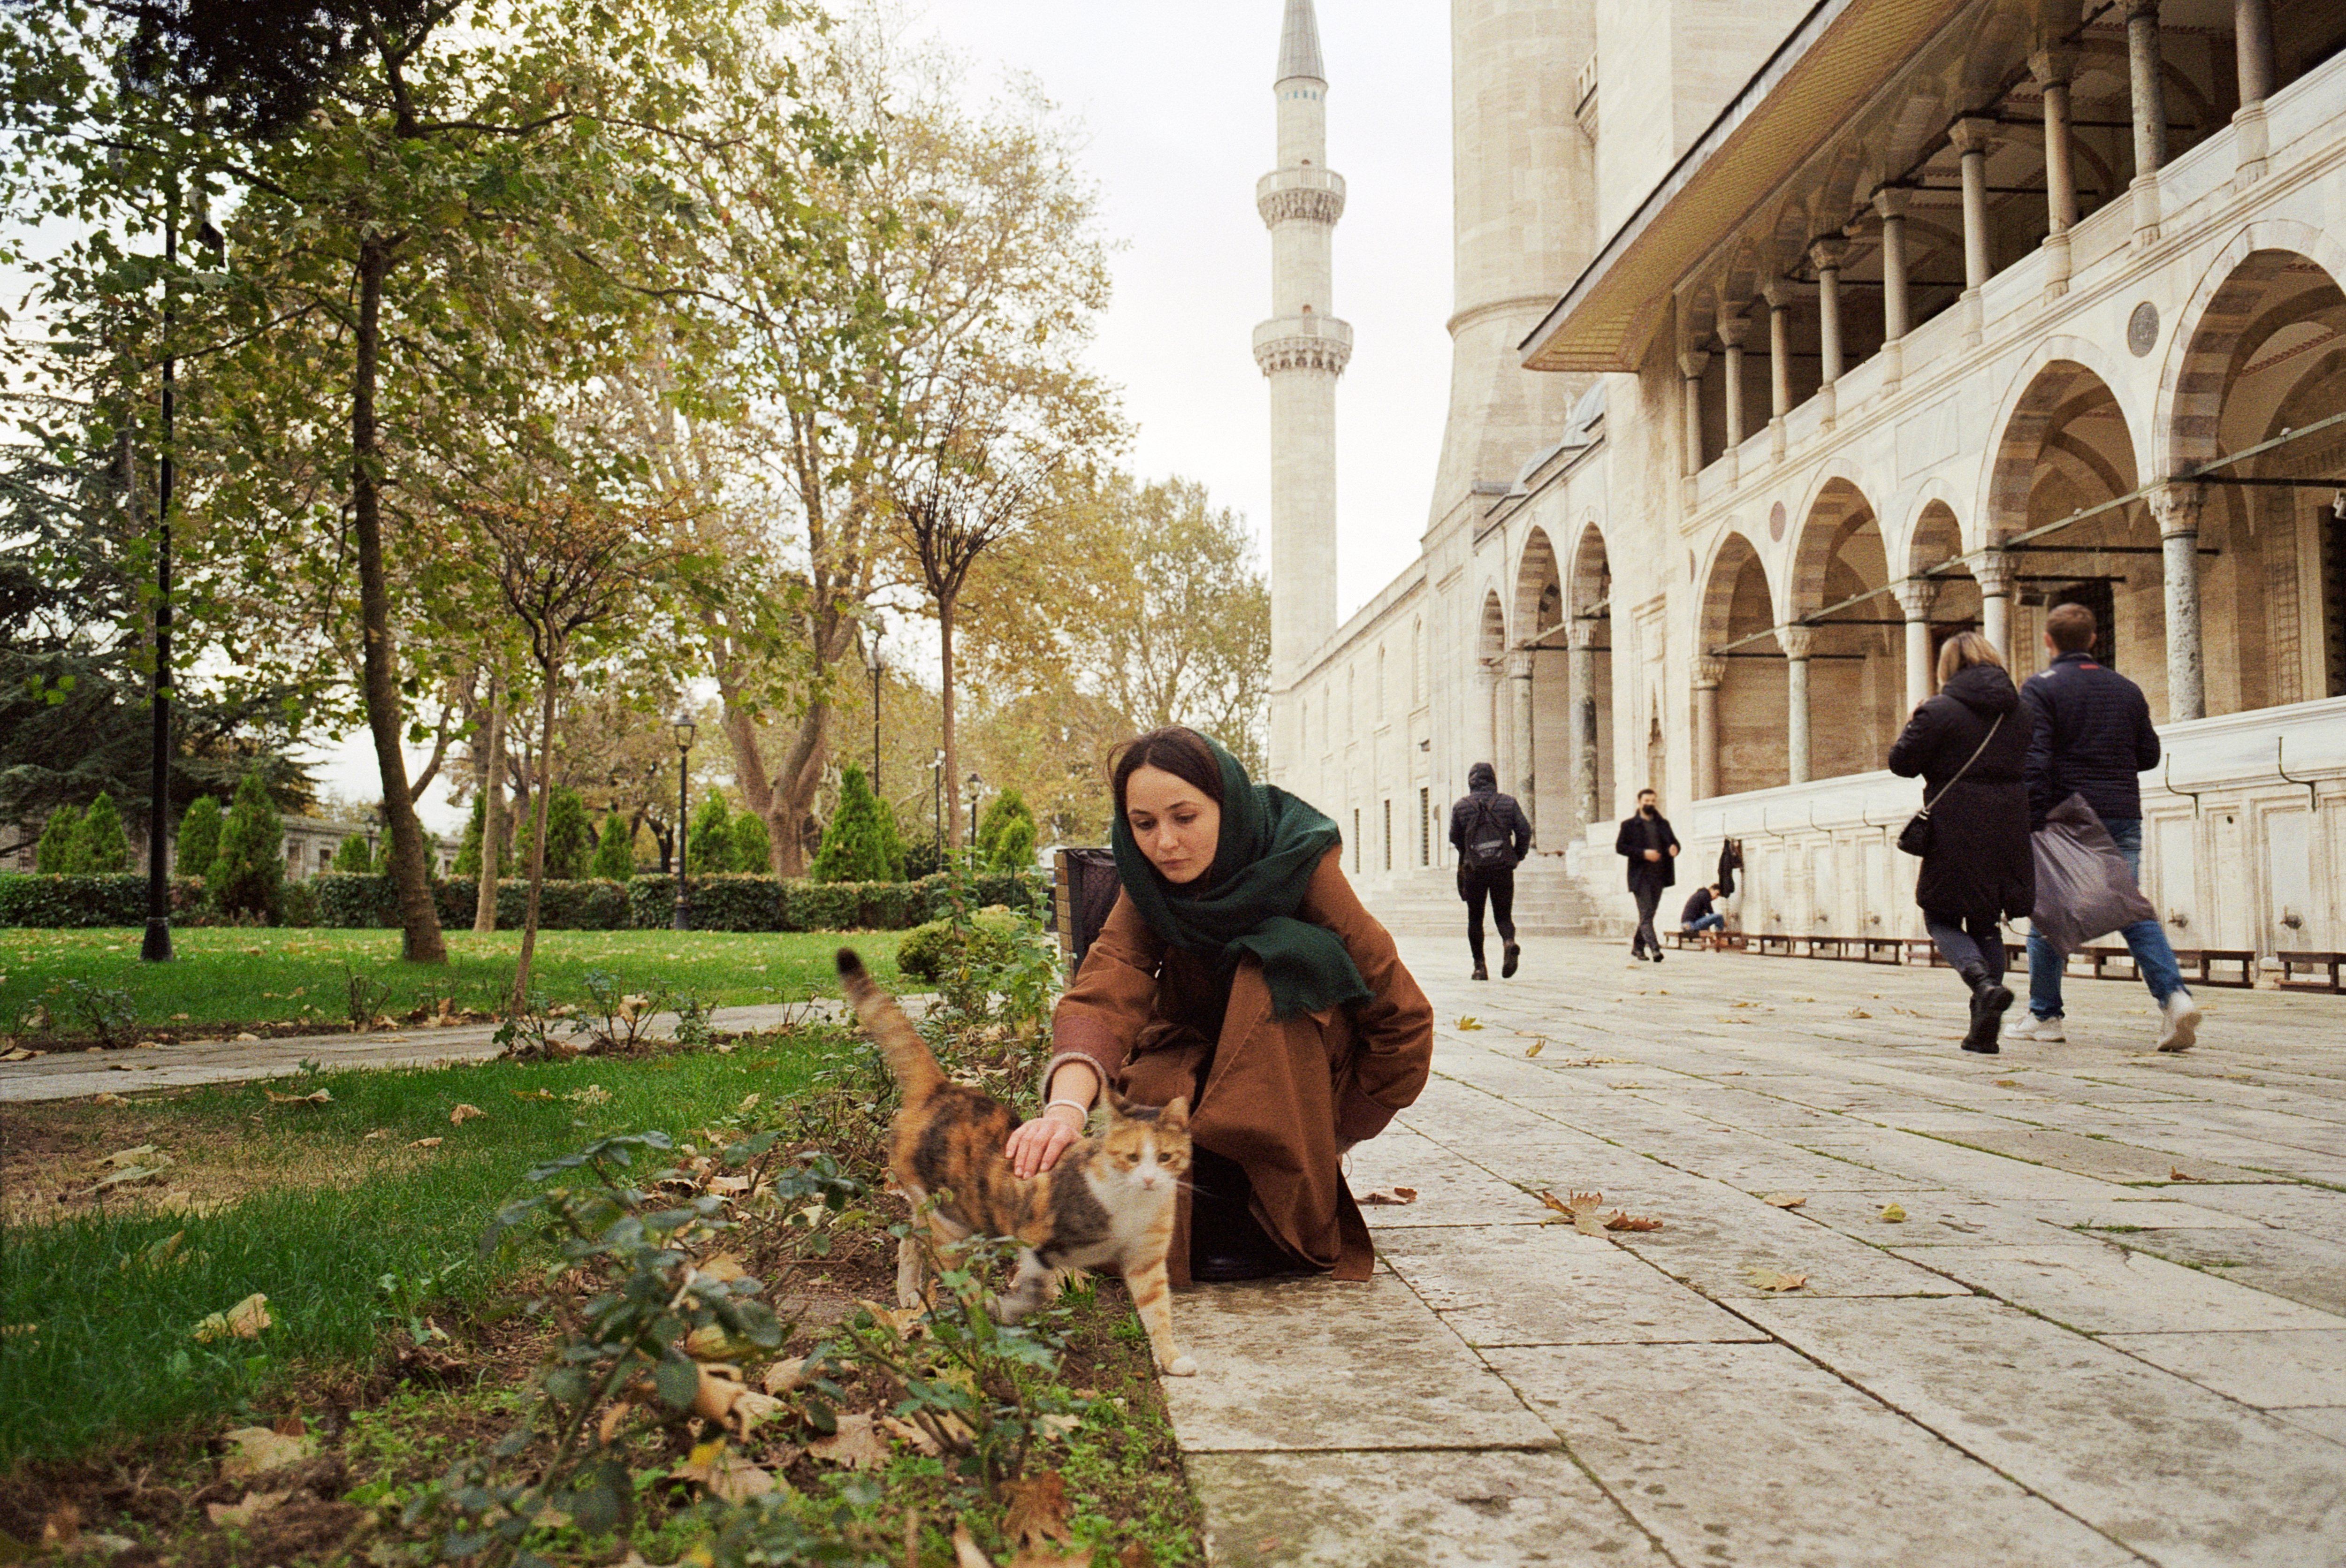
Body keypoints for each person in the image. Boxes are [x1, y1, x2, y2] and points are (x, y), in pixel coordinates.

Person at [1004, 726, 1435, 1285]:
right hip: (1198, 1060)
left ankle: (1277, 1209)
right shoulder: (1147, 881)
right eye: (1144, 824)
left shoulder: (1300, 862)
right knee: (1160, 1072)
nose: (1164, 843)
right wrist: (1062, 1114)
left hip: (1290, 1065)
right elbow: (1110, 981)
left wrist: (1330, 1137)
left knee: (1271, 965)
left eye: (1184, 818)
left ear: (1225, 808)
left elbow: (1402, 1015)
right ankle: (1201, 1216)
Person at [2008, 603, 2201, 1050]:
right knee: (2130, 908)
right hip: (2121, 812)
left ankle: (2045, 1015)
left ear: (2048, 641)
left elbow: (2035, 760)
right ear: (2094, 639)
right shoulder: (2126, 688)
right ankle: (2173, 997)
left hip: (2068, 814)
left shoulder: (2039, 688)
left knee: (2049, 910)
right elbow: (2148, 755)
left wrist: (2032, 818)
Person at [1887, 631, 2035, 1053]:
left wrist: (1916, 720)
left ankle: (1981, 983)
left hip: (1956, 821)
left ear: (1948, 668)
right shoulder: (2021, 711)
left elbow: (1901, 763)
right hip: (2009, 821)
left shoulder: (1939, 710)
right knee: (1986, 919)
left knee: (1941, 915)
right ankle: (1982, 1030)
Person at [1447, 762, 1533, 980]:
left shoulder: (1461, 807)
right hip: (1502, 867)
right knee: (1504, 915)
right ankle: (1509, 942)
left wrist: (1470, 853)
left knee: (1475, 918)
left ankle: (1480, 967)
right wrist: (1516, 856)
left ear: (1471, 782)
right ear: (1493, 779)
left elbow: (1455, 838)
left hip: (1474, 870)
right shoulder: (1508, 803)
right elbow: (1524, 831)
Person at [1614, 788, 1680, 962]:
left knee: (1648, 915)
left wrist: (1674, 849)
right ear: (1640, 802)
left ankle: (1637, 948)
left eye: (1652, 801)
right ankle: (1655, 949)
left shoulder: (1663, 824)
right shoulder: (1629, 825)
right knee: (1646, 913)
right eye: (1647, 801)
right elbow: (1621, 847)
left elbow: (1674, 843)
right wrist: (1644, 854)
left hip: (1659, 876)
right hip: (1640, 876)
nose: (1650, 804)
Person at [1680, 884, 1727, 949]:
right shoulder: (1705, 895)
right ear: (1712, 890)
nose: (1717, 897)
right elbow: (1712, 913)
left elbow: (1705, 920)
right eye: (1717, 894)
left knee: (1711, 920)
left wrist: (1711, 939)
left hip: (1686, 926)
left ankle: (1715, 941)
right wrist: (1723, 922)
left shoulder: (1700, 895)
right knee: (1719, 917)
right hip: (1691, 925)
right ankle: (1720, 940)